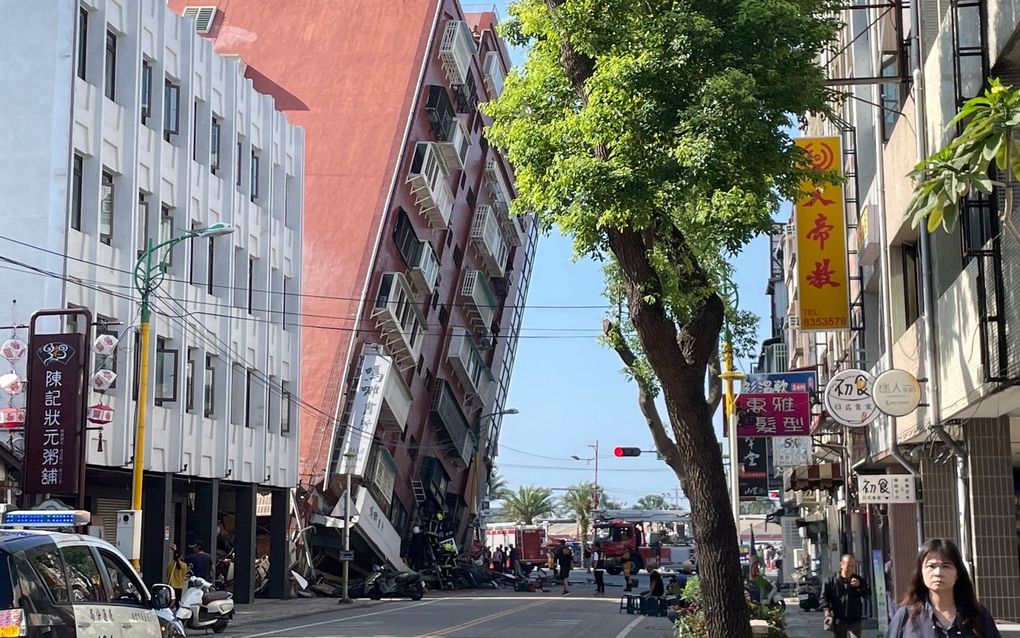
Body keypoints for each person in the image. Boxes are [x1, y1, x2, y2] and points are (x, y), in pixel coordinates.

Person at [888, 538, 1001, 638]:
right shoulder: (906, 617)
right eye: (931, 566)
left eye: (946, 566)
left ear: (957, 573)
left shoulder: (978, 615)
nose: (938, 573)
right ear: (921, 573)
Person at [822, 554, 871, 638]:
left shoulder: (858, 580)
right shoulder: (831, 581)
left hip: (855, 619)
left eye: (852, 566)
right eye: (848, 566)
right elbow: (824, 598)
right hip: (839, 619)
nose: (850, 569)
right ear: (841, 564)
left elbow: (867, 595)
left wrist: (860, 586)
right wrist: (827, 610)